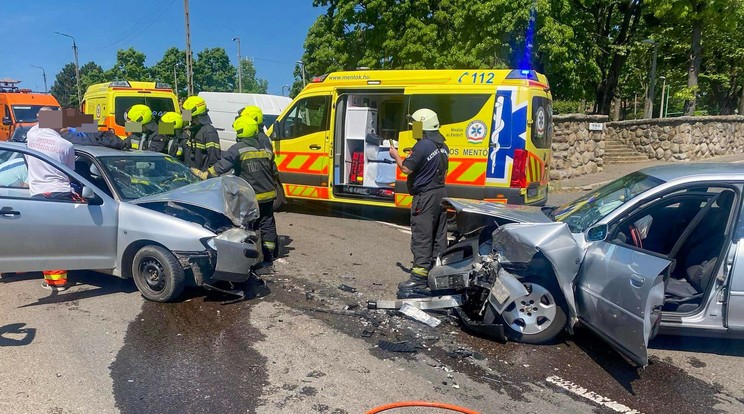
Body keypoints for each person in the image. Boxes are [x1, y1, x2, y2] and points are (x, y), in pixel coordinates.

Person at [191, 116, 279, 268]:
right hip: (269, 195)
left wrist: (204, 175)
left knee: (246, 227)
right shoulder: (266, 148)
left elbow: (220, 167)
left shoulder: (238, 149)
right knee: (267, 224)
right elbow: (274, 171)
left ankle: (249, 259)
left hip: (251, 197)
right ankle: (269, 258)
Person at [388, 108, 449, 298]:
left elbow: (406, 168)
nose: (412, 127)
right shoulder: (442, 145)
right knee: (439, 236)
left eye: (414, 124)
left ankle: (419, 278)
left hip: (426, 197)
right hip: (440, 194)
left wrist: (395, 155)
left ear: (421, 126)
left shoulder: (423, 145)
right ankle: (438, 273)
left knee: (422, 236)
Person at [26, 107, 77, 291]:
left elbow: (41, 118)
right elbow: (71, 174)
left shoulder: (32, 136)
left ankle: (55, 282)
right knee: (60, 238)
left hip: (40, 194)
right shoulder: (66, 146)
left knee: (46, 239)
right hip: (62, 193)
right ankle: (59, 279)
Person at [181, 96, 221, 170]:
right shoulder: (190, 130)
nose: (185, 117)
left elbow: (214, 160)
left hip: (200, 178)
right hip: (189, 175)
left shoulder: (209, 132)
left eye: (187, 114)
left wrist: (205, 176)